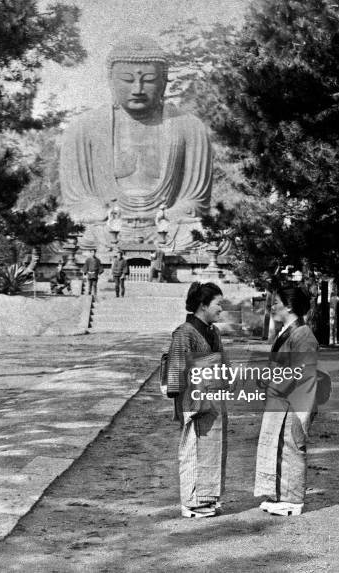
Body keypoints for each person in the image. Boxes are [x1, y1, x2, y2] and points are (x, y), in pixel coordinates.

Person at [59, 35, 212, 250]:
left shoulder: (190, 127)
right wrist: (97, 212)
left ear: (164, 81)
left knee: (203, 234)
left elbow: (195, 201)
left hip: (170, 226)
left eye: (149, 80)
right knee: (67, 235)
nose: (138, 89)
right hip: (104, 226)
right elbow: (77, 201)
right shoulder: (83, 128)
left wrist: (165, 217)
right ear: (110, 79)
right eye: (127, 80)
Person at [254, 286, 319, 516]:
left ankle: (293, 500)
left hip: (295, 400)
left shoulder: (303, 334)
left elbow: (299, 371)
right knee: (279, 445)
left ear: (289, 306)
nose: (272, 308)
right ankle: (281, 495)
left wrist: (274, 384)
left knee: (292, 446)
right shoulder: (289, 332)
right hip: (281, 400)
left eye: (276, 304)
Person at [166, 282, 229, 518]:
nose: (221, 309)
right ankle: (191, 502)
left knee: (213, 448)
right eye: (218, 304)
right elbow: (176, 367)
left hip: (214, 397)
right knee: (193, 449)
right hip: (193, 398)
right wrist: (182, 400)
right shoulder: (185, 332)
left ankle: (208, 497)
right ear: (203, 306)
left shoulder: (214, 332)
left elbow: (222, 364)